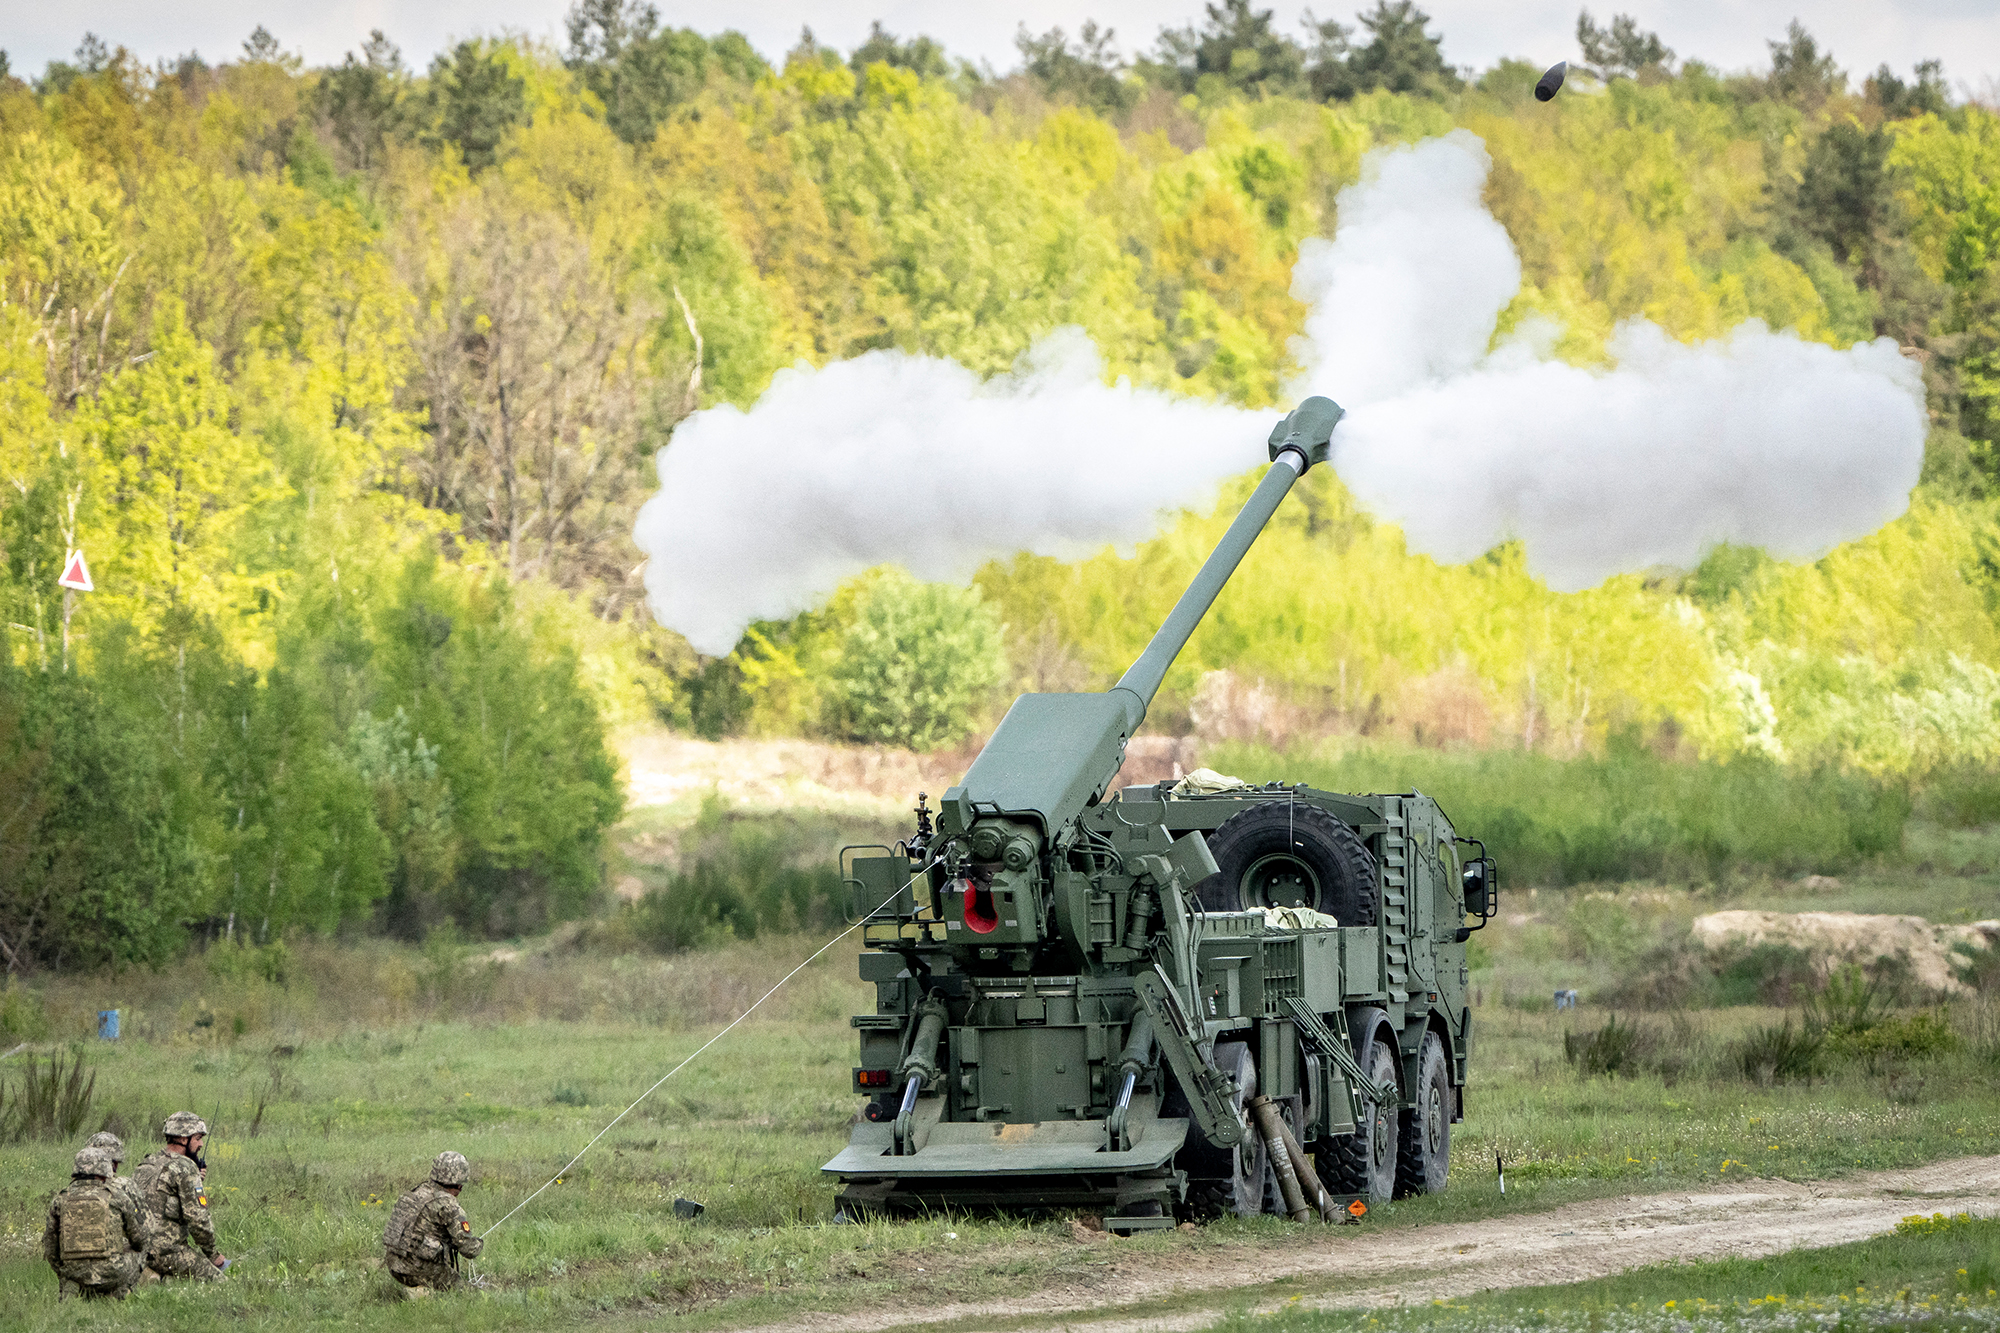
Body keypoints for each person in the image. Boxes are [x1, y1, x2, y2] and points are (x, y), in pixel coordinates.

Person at [43, 1147, 150, 1300]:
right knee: (141, 1249)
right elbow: (139, 1239)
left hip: (73, 1273)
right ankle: (120, 1292)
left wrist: (63, 1271)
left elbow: (50, 1244)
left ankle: (72, 1288)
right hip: (111, 1273)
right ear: (104, 1170)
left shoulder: (60, 1199)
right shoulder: (117, 1196)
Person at [134, 1111, 225, 1281]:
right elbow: (199, 1220)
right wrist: (214, 1255)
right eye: (198, 1138)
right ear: (183, 1139)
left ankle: (153, 1277)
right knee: (219, 1282)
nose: (201, 1144)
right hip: (165, 1252)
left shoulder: (146, 1163)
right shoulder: (186, 1168)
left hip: (136, 1251)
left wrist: (195, 1180)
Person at [382, 1151, 484, 1294]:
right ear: (460, 1183)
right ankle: (419, 1295)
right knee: (469, 1294)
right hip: (418, 1269)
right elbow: (468, 1250)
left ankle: (416, 1293)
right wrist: (478, 1244)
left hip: (394, 1265)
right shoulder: (449, 1205)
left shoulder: (416, 1192)